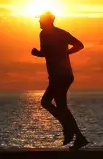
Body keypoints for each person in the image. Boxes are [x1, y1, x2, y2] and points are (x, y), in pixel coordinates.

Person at [31, 10, 89, 150]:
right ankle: (76, 134)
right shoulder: (62, 33)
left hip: (58, 76)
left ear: (47, 21)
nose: (39, 22)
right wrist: (66, 53)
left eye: (41, 20)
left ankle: (71, 131)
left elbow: (45, 52)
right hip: (66, 75)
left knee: (51, 103)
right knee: (53, 104)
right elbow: (79, 45)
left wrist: (36, 53)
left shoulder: (44, 33)